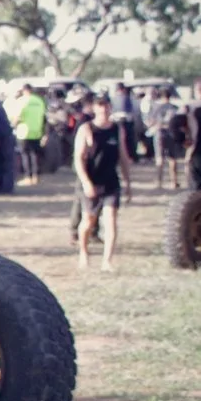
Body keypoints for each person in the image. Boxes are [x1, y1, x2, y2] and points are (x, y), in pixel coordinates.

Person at [73, 91, 126, 270]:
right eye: (100, 105)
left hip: (111, 181)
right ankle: (83, 252)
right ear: (95, 108)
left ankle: (107, 261)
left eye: (106, 105)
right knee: (88, 221)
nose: (104, 109)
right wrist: (86, 182)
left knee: (111, 219)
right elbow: (78, 159)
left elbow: (123, 156)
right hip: (91, 181)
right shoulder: (87, 129)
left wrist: (129, 181)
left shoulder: (117, 129)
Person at [10, 84, 48, 183]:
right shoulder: (39, 101)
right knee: (35, 155)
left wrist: (12, 125)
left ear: (24, 91)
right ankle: (36, 177)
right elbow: (44, 117)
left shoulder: (21, 101)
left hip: (24, 132)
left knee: (25, 155)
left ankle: (28, 177)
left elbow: (17, 117)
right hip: (37, 132)